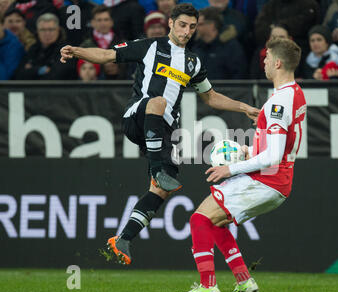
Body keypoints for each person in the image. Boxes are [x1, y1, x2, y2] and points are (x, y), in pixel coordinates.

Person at [60, 3, 260, 265]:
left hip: (161, 131)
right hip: (137, 117)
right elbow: (108, 56)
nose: (187, 31)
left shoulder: (193, 62)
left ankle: (124, 239)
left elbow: (210, 97)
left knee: (160, 191)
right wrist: (77, 51)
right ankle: (157, 168)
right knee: (158, 103)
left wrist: (243, 106)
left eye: (192, 27)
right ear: (170, 23)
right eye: (182, 25)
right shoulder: (149, 46)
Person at [175, 37, 306, 292]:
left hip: (267, 180)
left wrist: (231, 169)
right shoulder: (295, 93)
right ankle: (244, 281)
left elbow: (274, 155)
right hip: (276, 181)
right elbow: (281, 145)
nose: (264, 61)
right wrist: (249, 150)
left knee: (199, 219)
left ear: (278, 63)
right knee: (216, 223)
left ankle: (208, 286)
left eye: (267, 57)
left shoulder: (278, 103)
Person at [15, 12, 77, 80]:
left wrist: (31, 70)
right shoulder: (33, 49)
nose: (47, 33)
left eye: (51, 29)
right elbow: (19, 75)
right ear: (37, 31)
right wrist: (39, 70)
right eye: (43, 30)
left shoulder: (66, 49)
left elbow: (56, 77)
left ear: (58, 30)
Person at [191, 6, 247, 79]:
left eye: (200, 24)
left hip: (226, 90)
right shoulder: (196, 48)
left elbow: (239, 74)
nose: (196, 28)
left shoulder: (231, 47)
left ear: (212, 25)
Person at [80, 5, 128, 80]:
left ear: (111, 22)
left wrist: (118, 68)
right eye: (99, 20)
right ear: (92, 23)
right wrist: (103, 67)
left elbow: (129, 68)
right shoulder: (85, 46)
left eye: (106, 19)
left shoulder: (123, 44)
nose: (103, 23)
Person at [0, 11, 25, 80]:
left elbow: (5, 78)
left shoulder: (14, 45)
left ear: (3, 25)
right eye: (10, 21)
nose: (14, 24)